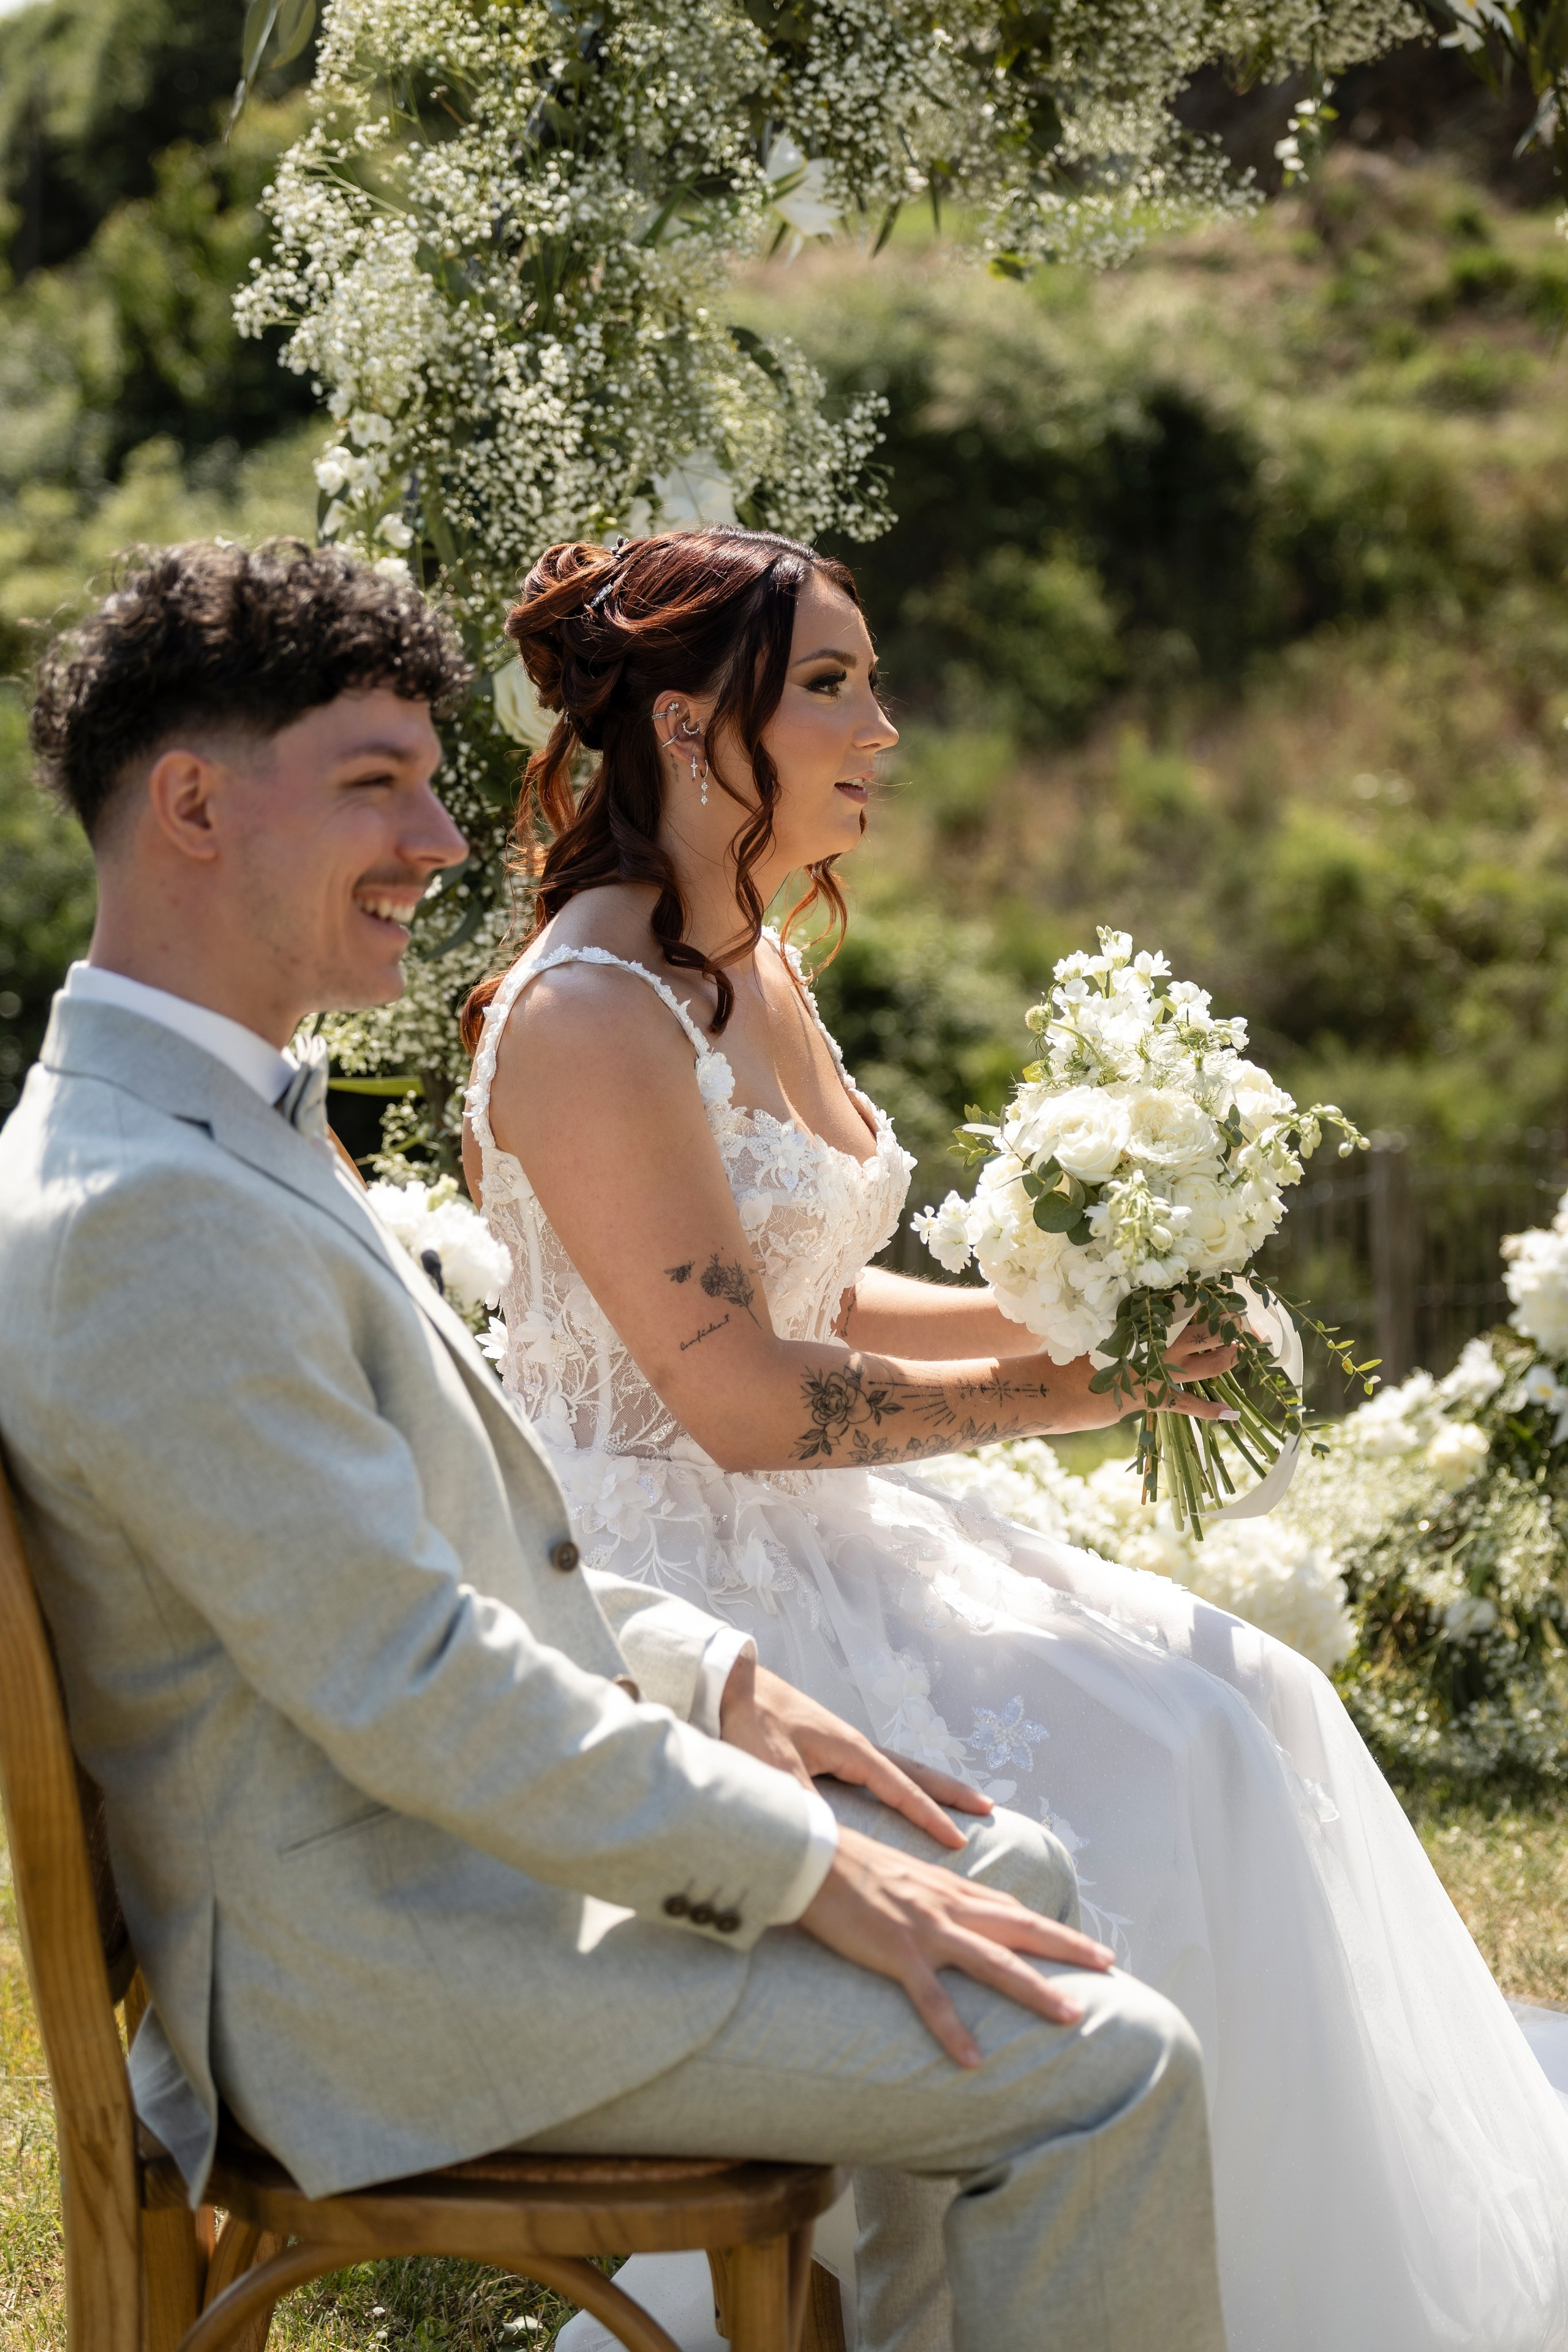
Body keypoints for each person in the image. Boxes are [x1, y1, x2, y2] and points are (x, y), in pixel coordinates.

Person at [0, 537, 1229, 2352]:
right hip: (395, 1978)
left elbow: (411, 1551)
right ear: (191, 803)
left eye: (429, 779)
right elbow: (407, 1680)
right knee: (1108, 2061)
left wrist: (717, 1674)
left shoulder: (206, 1121)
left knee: (1012, 1875)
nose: (438, 839)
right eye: (374, 786)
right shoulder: (143, 1210)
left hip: (425, 1885)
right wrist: (804, 1868)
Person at [464, 522, 1568, 2352]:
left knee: (1251, 1705)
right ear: (682, 722)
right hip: (668, 1587)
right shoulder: (594, 1014)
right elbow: (737, 1396)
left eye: (868, 680)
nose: (881, 727)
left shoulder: (754, 971)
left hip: (831, 1522)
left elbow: (817, 1294)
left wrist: (1103, 1324)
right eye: (829, 684)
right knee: (1156, 1778)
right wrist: (1054, 1400)